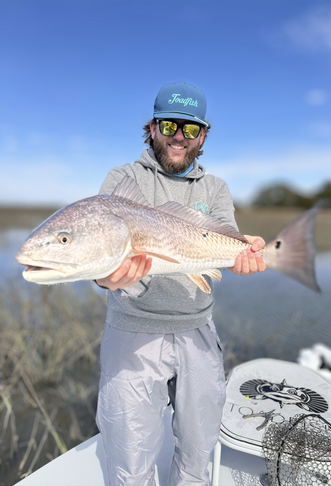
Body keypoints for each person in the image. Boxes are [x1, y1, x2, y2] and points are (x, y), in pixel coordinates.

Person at [95, 82, 266, 486]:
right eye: (170, 125)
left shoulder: (215, 188)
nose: (179, 137)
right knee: (129, 457)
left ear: (203, 135)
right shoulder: (123, 179)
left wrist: (250, 252)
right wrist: (105, 277)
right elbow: (104, 251)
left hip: (198, 328)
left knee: (198, 448)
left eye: (191, 130)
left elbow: (231, 243)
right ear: (152, 127)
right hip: (132, 328)